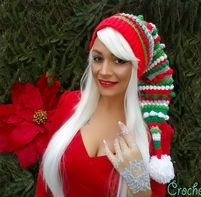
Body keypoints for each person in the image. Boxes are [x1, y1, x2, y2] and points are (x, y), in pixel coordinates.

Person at [35, 13, 175, 197]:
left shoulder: (155, 133)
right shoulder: (69, 104)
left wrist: (140, 186)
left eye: (119, 60)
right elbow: (43, 187)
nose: (105, 71)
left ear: (137, 67)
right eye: (98, 59)